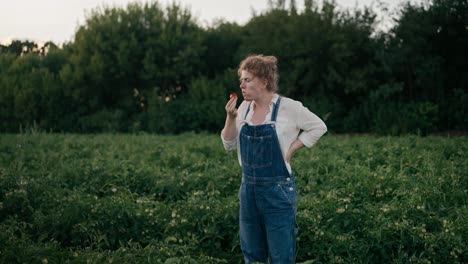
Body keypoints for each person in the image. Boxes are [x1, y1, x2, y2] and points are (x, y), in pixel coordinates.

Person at [221, 54, 327, 263]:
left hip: (278, 191)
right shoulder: (243, 108)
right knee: (252, 255)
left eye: (247, 80)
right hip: (248, 190)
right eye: (241, 80)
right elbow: (228, 144)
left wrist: (291, 149)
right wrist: (230, 118)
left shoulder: (290, 107)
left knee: (281, 256)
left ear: (264, 82)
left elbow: (319, 127)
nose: (241, 85)